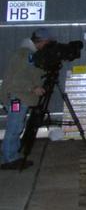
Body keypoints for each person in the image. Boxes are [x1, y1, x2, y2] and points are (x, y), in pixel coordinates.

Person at [3, 28, 53, 169]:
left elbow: (31, 73)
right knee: (15, 126)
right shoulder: (25, 54)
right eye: (46, 43)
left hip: (19, 97)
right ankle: (10, 158)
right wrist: (32, 88)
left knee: (17, 125)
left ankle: (12, 155)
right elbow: (16, 80)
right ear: (41, 41)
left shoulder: (29, 54)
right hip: (16, 98)